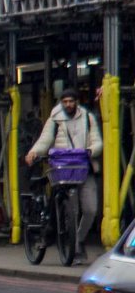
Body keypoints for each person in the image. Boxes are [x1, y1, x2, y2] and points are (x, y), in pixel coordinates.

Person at [26, 86, 103, 264]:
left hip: (84, 168)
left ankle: (79, 239)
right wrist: (34, 152)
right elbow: (45, 139)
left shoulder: (88, 118)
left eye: (71, 101)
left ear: (77, 102)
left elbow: (97, 141)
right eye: (65, 102)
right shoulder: (55, 118)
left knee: (91, 209)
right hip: (63, 170)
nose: (68, 105)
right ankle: (74, 249)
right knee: (72, 211)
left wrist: (90, 151)